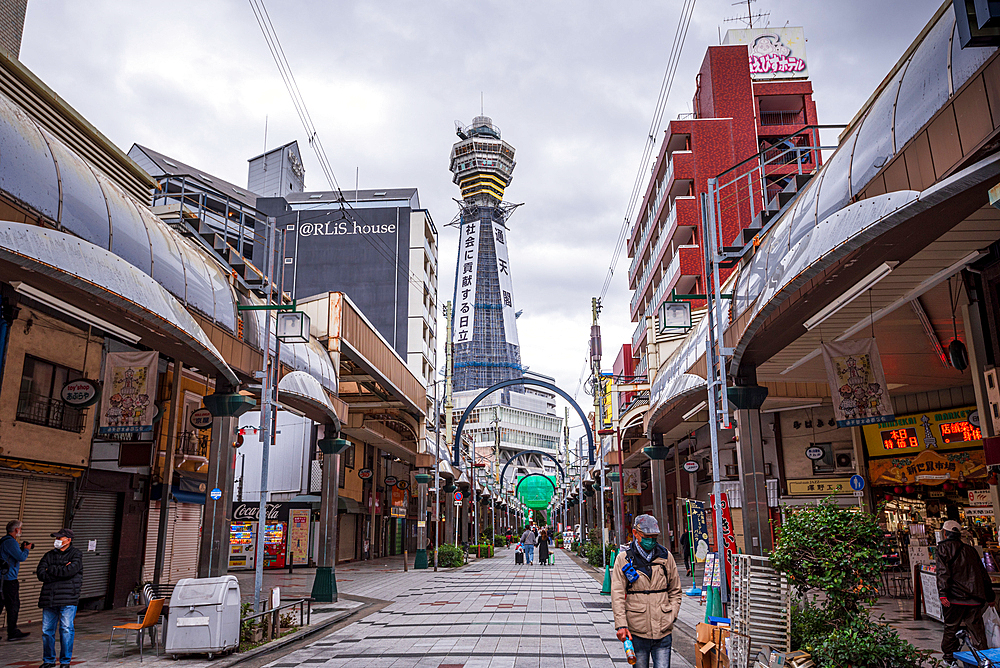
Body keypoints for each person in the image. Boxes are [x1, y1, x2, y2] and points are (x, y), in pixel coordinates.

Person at [611, 514, 682, 668]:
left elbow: (675, 590)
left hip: (663, 627)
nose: (651, 540)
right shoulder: (624, 558)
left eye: (654, 537)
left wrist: (672, 614)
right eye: (647, 536)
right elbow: (617, 594)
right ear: (636, 534)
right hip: (637, 628)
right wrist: (621, 625)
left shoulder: (665, 557)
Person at [937, 519, 996, 664]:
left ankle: (949, 658)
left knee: (951, 629)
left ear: (945, 533)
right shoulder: (970, 550)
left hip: (954, 598)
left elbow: (942, 573)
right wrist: (990, 596)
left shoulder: (943, 549)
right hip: (974, 599)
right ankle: (982, 660)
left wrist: (943, 593)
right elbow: (983, 575)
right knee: (977, 632)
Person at [36, 528, 82, 668]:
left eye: (60, 538)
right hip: (49, 598)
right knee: (47, 630)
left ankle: (65, 661)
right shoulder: (49, 555)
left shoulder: (76, 555)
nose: (56, 541)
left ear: (68, 540)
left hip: (68, 598)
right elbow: (40, 573)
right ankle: (49, 660)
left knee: (66, 629)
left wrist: (51, 569)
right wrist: (59, 570)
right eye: (56, 538)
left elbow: (70, 571)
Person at [0, 519, 32, 641]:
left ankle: (13, 631)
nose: (21, 531)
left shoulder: (3, 541)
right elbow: (21, 557)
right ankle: (12, 632)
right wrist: (26, 549)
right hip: (9, 579)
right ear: (16, 530)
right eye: (20, 529)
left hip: (2, 578)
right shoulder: (10, 542)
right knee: (13, 605)